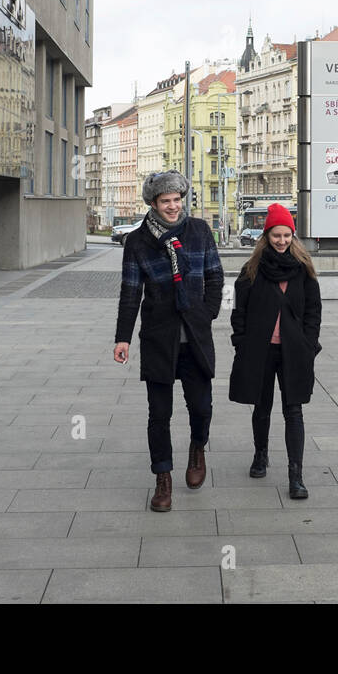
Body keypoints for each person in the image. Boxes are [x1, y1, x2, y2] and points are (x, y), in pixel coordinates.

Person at [113, 172, 224, 512]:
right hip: (159, 337)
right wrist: (123, 338)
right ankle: (163, 478)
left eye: (177, 199)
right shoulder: (138, 242)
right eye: (166, 201)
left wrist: (206, 313)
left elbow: (215, 277)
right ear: (153, 204)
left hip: (195, 336)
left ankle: (197, 448)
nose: (173, 206)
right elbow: (131, 293)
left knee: (201, 407)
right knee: (159, 414)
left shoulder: (199, 232)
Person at [229, 204, 322, 499]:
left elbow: (313, 312)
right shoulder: (251, 270)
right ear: (266, 236)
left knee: (294, 410)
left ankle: (297, 475)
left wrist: (309, 345)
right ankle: (261, 454)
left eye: (286, 235)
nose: (281, 240)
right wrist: (241, 342)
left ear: (292, 236)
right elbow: (238, 311)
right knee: (262, 406)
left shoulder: (304, 269)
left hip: (295, 353)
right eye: (276, 235)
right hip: (260, 350)